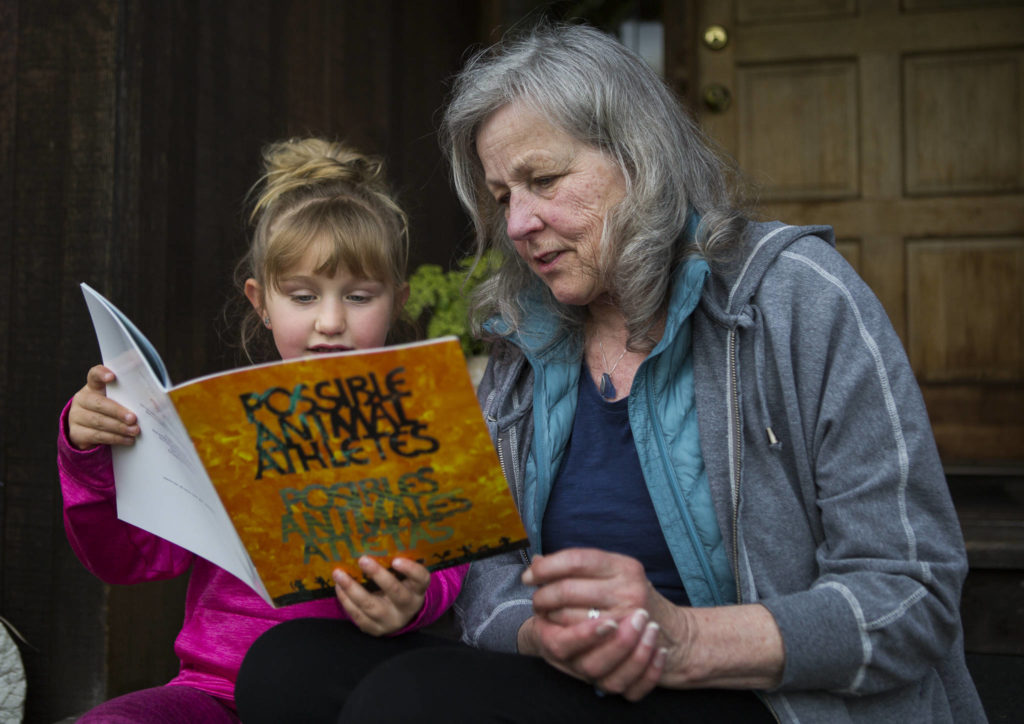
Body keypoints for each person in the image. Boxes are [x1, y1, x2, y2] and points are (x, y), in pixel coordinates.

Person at [234, 23, 986, 723]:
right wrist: (539, 637)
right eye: (503, 197)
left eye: (545, 180)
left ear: (639, 159)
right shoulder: (525, 339)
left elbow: (909, 593)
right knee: (284, 667)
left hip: (763, 691)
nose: (519, 223)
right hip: (581, 677)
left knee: (408, 702)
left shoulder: (795, 298)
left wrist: (683, 637)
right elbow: (493, 570)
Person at [57, 137, 467, 723]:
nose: (331, 322)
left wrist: (417, 600)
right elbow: (124, 559)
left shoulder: (418, 422)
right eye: (303, 296)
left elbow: (456, 556)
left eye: (358, 296)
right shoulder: (222, 425)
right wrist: (89, 455)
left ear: (397, 301)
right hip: (209, 693)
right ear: (261, 301)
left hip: (344, 694)